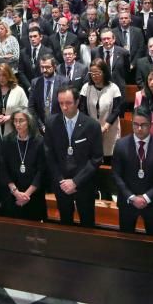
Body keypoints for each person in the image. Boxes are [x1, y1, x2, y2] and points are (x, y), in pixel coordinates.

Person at [44, 86, 103, 227]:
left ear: (77, 102)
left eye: (68, 103)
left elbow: (96, 158)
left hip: (84, 183)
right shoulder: (51, 123)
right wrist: (61, 181)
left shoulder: (92, 125)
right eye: (61, 103)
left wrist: (75, 182)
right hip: (61, 184)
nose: (64, 107)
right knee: (65, 223)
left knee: (87, 223)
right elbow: (49, 155)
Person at [112, 106, 153, 236]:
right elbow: (116, 175)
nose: (139, 129)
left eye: (143, 125)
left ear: (151, 125)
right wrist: (132, 197)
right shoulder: (120, 145)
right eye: (136, 124)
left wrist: (146, 197)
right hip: (128, 203)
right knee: (126, 241)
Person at [1, 109, 46, 221]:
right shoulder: (7, 140)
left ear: (29, 122)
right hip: (13, 195)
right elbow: (3, 168)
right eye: (15, 121)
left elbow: (41, 171)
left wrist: (26, 194)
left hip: (33, 195)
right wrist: (15, 192)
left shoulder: (39, 141)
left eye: (21, 121)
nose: (17, 124)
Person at [78, 59, 125, 164]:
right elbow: (82, 109)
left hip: (110, 129)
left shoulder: (113, 88)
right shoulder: (86, 88)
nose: (95, 76)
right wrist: (92, 126)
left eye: (98, 73)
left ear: (104, 72)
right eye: (92, 73)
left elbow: (117, 110)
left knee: (109, 159)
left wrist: (105, 126)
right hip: (91, 130)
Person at [0, 64, 28, 137]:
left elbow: (25, 110)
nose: (1, 78)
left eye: (4, 75)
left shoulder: (18, 90)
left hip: (14, 131)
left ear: (9, 75)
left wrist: (10, 117)